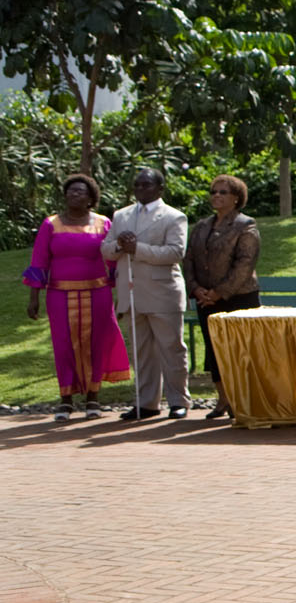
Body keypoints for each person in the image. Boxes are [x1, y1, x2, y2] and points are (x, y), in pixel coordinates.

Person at [23, 174, 132, 421]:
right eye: (71, 191)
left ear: (91, 198)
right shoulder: (50, 224)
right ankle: (66, 400)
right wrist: (34, 298)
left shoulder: (103, 223)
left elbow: (113, 260)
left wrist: (121, 292)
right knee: (63, 346)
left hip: (98, 293)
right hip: (59, 295)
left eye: (80, 191)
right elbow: (39, 261)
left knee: (97, 344)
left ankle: (93, 398)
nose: (74, 195)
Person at [102, 168, 190, 421]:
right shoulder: (121, 215)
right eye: (137, 185)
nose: (141, 189)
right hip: (132, 293)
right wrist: (119, 245)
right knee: (141, 352)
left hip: (163, 292)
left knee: (171, 349)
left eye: (147, 185)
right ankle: (147, 403)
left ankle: (178, 401)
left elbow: (175, 252)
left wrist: (137, 248)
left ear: (160, 189)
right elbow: (106, 250)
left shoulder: (174, 217)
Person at [186, 174, 262, 421]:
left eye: (222, 192)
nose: (215, 195)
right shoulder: (201, 226)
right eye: (213, 191)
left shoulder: (245, 225)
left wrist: (219, 292)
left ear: (236, 198)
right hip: (205, 299)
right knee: (214, 349)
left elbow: (245, 264)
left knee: (241, 350)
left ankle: (245, 400)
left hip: (238, 297)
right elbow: (189, 260)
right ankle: (223, 399)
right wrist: (197, 289)